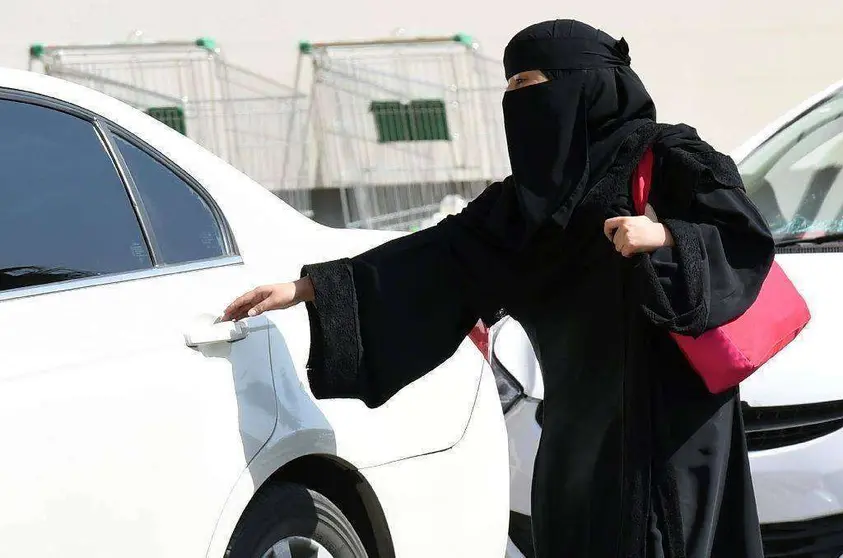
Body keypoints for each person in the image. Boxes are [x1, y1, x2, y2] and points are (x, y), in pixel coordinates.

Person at [224, 19, 773, 558]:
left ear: (584, 81)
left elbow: (744, 239)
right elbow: (439, 255)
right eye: (508, 86)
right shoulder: (525, 201)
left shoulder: (670, 156)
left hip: (670, 417)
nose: (516, 98)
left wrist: (664, 235)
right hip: (577, 426)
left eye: (530, 83)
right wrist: (309, 289)